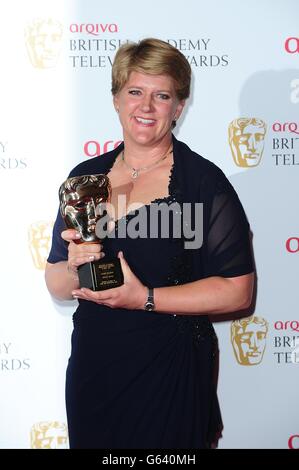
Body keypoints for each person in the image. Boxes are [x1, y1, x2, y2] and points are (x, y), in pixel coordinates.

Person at [45, 38, 255, 449]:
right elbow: (55, 282)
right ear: (116, 99)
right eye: (135, 92)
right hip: (95, 368)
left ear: (178, 108)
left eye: (162, 96)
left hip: (170, 371)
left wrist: (145, 297)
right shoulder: (85, 178)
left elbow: (238, 290)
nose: (146, 107)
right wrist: (73, 265)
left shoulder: (202, 183)